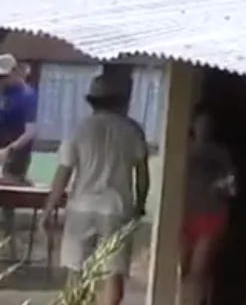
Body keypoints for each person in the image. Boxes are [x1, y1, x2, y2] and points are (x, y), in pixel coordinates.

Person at [45, 74, 149, 305]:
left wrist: (49, 207)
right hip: (117, 208)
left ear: (93, 101)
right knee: (113, 271)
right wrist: (140, 205)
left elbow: (64, 171)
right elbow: (142, 174)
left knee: (76, 268)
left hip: (81, 207)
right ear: (122, 101)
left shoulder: (80, 129)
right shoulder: (132, 130)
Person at [181, 107, 236, 305]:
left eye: (208, 124)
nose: (203, 127)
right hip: (185, 214)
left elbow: (232, 187)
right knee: (184, 268)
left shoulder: (220, 154)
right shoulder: (182, 149)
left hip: (211, 215)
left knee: (198, 268)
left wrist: (217, 185)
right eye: (200, 122)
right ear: (192, 124)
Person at [0, 55, 39, 183]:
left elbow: (30, 131)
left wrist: (10, 149)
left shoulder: (27, 96)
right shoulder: (2, 93)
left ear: (15, 71)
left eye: (5, 76)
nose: (2, 80)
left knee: (10, 185)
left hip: (16, 153)